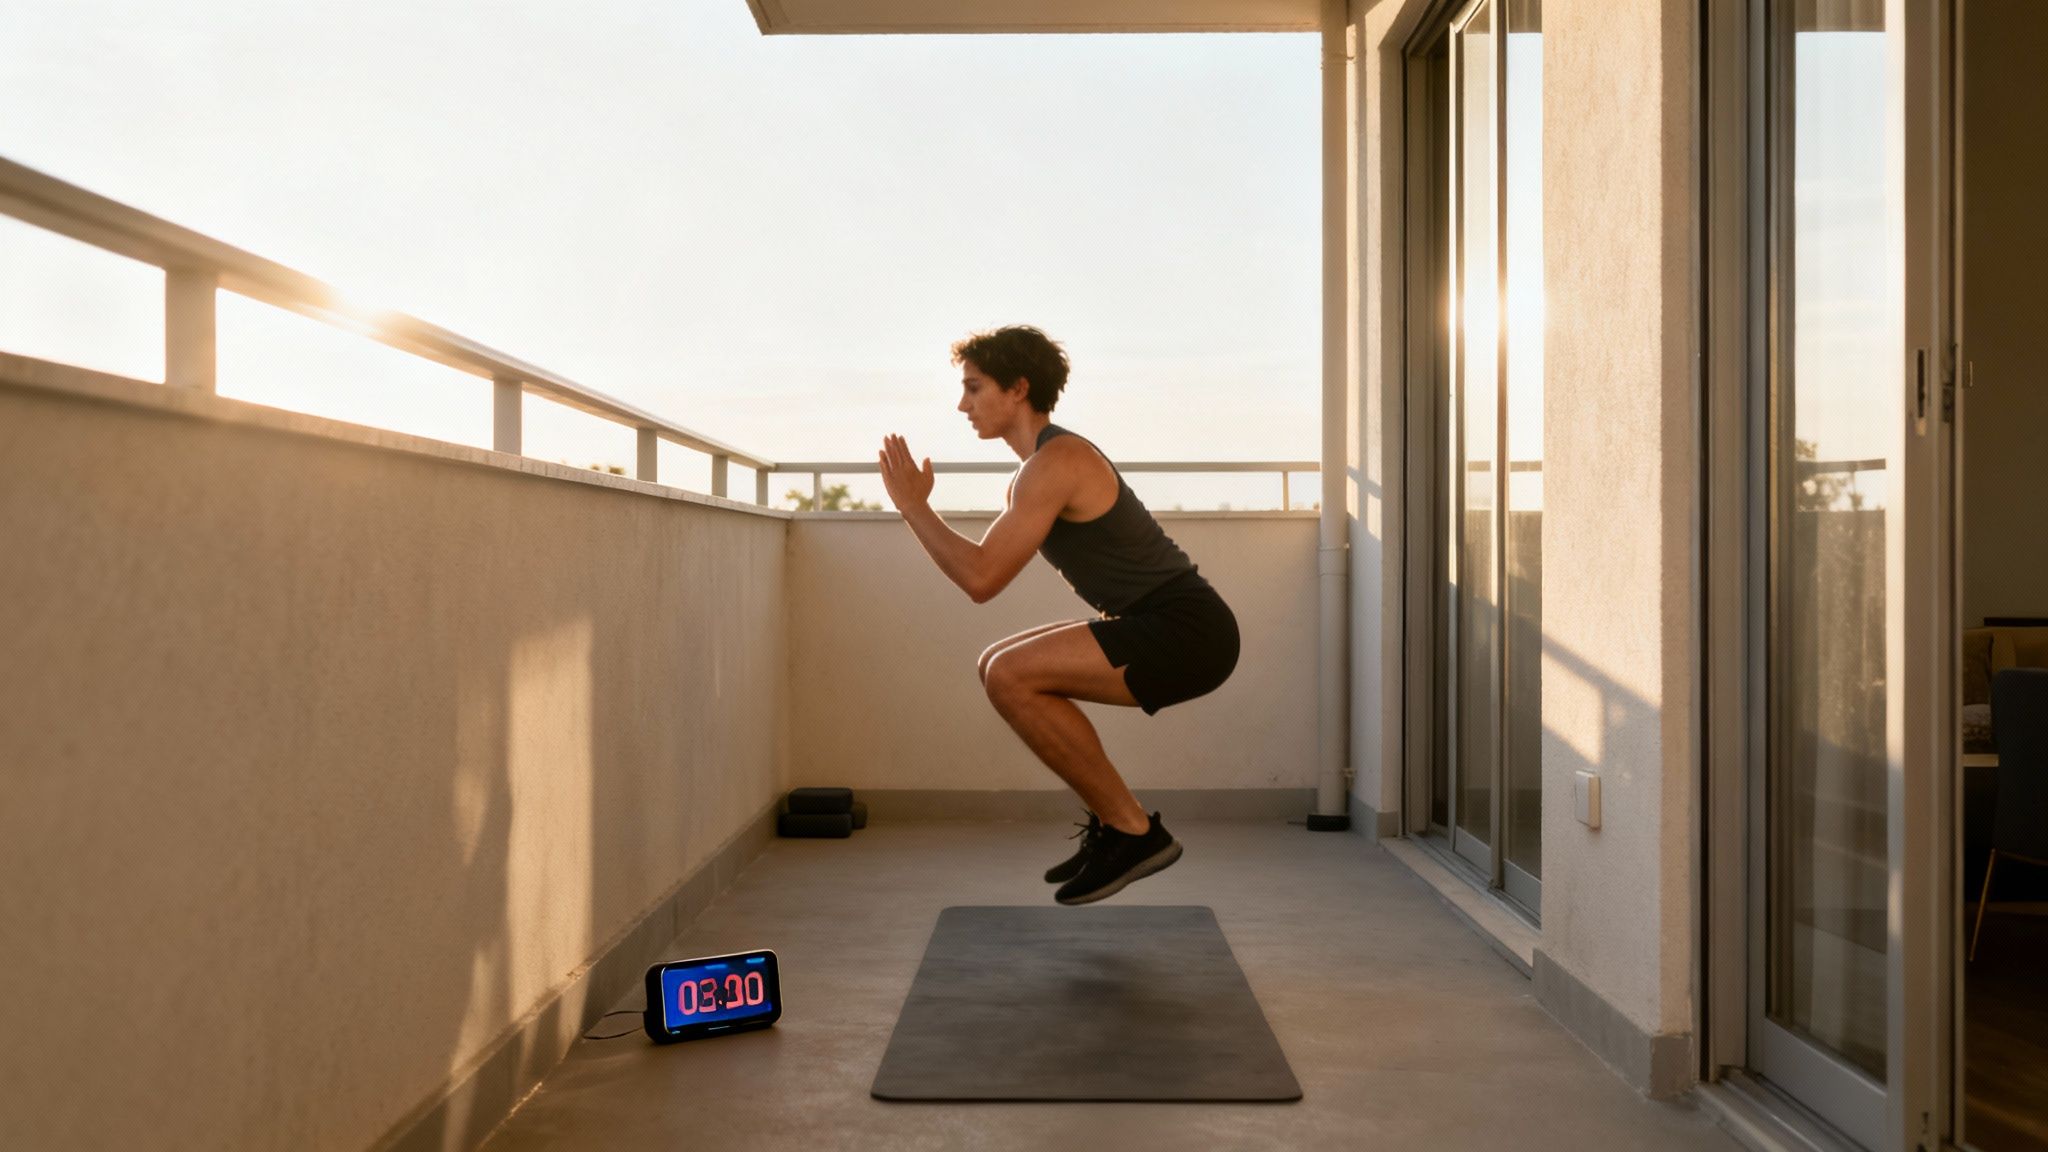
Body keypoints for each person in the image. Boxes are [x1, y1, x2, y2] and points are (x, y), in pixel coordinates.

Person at [876, 325, 1240, 905]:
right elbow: (983, 570)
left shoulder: (1058, 461)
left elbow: (980, 579)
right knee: (995, 663)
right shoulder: (1037, 469)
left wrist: (914, 507)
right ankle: (1117, 824)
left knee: (1009, 674)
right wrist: (916, 508)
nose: (962, 404)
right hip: (1161, 622)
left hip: (1187, 630)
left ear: (1018, 388)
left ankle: (1133, 831)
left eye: (974, 388)